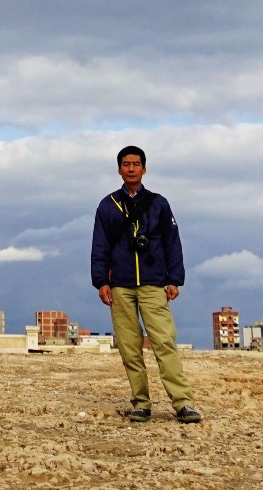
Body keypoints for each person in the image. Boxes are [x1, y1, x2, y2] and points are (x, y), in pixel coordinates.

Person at [91, 144, 200, 423]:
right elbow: (99, 246)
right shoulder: (108, 205)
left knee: (164, 342)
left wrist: (175, 279)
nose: (130, 168)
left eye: (135, 164)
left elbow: (172, 242)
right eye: (125, 164)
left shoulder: (159, 203)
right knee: (129, 347)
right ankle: (141, 402)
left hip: (153, 283)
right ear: (119, 169)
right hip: (120, 286)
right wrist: (101, 281)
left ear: (144, 169)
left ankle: (183, 403)